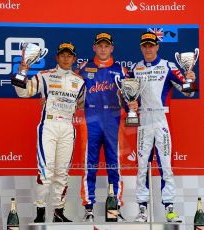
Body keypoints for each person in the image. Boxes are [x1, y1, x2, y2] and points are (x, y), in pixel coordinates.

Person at [128, 32, 196, 223]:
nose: (148, 49)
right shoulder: (135, 68)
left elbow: (188, 92)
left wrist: (190, 78)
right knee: (142, 166)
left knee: (165, 165)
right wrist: (129, 106)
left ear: (157, 47)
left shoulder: (168, 66)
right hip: (142, 119)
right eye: (145, 46)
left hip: (161, 119)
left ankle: (170, 208)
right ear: (141, 48)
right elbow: (128, 97)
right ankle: (142, 209)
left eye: (151, 45)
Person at [13, 42, 85, 223]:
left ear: (74, 59)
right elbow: (23, 92)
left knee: (62, 172)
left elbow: (83, 104)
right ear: (57, 57)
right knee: (46, 171)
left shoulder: (80, 81)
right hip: (49, 125)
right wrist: (22, 71)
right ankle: (40, 211)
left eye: (69, 55)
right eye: (62, 55)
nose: (66, 58)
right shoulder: (45, 76)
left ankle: (58, 212)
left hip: (68, 127)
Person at [78, 32, 127, 222]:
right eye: (100, 45)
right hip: (91, 122)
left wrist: (132, 104)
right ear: (94, 47)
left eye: (107, 46)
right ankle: (88, 209)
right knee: (89, 166)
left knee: (114, 166)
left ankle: (114, 208)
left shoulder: (121, 70)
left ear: (112, 48)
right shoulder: (83, 68)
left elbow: (131, 95)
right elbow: (70, 90)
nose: (103, 49)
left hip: (112, 122)